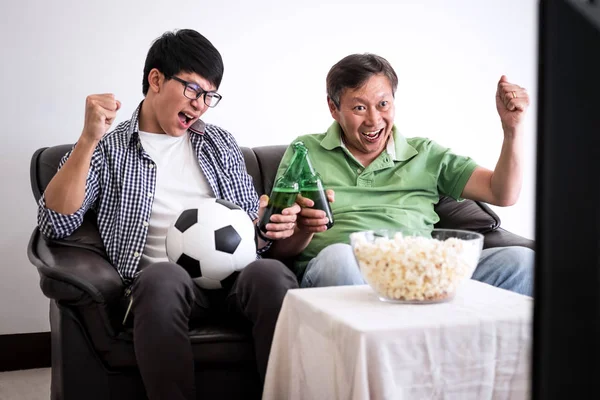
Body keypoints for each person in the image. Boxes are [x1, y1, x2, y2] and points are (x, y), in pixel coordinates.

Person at [37, 29, 300, 400]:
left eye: (209, 96)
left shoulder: (219, 142)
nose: (199, 105)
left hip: (233, 281)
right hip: (160, 287)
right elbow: (55, 222)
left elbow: (250, 232)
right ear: (156, 79)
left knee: (272, 274)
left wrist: (267, 225)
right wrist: (87, 139)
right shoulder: (109, 149)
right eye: (192, 89)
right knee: (162, 278)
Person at [272, 53, 534, 297]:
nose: (374, 120)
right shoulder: (305, 152)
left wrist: (512, 129)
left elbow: (502, 193)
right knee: (339, 257)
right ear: (333, 108)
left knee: (522, 262)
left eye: (383, 104)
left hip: (422, 276)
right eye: (359, 108)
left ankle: (423, 327)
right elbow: (279, 247)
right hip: (345, 275)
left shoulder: (427, 154)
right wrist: (303, 229)